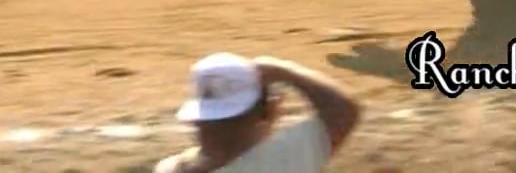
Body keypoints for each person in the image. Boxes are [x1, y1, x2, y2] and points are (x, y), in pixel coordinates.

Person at [154, 52, 361, 173]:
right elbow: (343, 111)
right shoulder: (284, 160)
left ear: (198, 120)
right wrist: (284, 71)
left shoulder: (171, 169)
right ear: (269, 111)